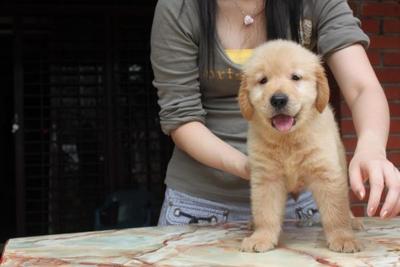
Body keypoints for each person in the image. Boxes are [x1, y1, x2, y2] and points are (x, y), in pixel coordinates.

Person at [150, 0, 400, 226]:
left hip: (301, 203)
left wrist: (372, 148)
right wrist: (255, 168)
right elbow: (182, 118)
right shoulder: (179, 7)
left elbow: (361, 89)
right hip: (201, 205)